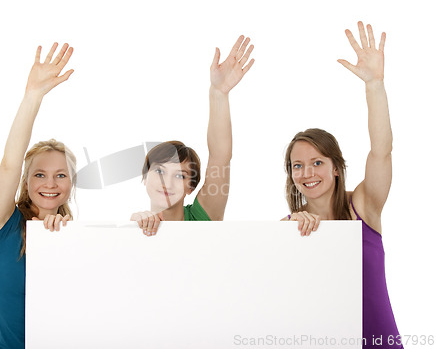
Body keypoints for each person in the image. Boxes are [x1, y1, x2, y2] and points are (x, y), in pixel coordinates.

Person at [282, 22, 402, 348]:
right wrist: (291, 230)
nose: (307, 172)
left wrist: (374, 85)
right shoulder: (286, 227)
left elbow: (382, 151)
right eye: (297, 165)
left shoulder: (363, 205)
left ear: (336, 168)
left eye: (317, 162)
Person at [0, 43, 76, 349]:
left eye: (60, 175)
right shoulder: (3, 224)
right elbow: (10, 163)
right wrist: (33, 95)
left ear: (71, 183)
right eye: (40, 174)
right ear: (26, 182)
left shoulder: (75, 237)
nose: (50, 183)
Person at [131, 35, 255, 236]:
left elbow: (220, 157)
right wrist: (133, 230)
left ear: (191, 188)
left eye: (180, 175)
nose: (167, 183)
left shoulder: (201, 217)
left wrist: (219, 93)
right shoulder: (133, 226)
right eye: (160, 172)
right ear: (145, 177)